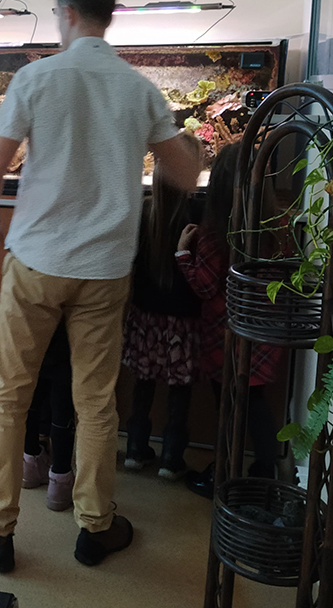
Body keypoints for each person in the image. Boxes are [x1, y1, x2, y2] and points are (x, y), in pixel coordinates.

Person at [0, 0, 201, 572]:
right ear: (110, 16)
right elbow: (186, 174)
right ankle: (96, 526)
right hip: (105, 270)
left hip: (36, 261)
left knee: (10, 396)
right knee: (95, 402)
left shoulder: (36, 78)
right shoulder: (139, 89)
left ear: (66, 13)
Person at [175, 142, 283, 498]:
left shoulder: (217, 232)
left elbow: (205, 286)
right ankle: (265, 473)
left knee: (228, 408)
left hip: (226, 337)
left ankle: (223, 475)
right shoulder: (274, 226)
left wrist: (182, 254)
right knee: (255, 404)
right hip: (262, 335)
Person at [121, 132, 204, 480]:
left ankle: (135, 449)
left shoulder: (143, 211)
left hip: (145, 316)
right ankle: (171, 457)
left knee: (143, 382)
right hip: (183, 319)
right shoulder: (197, 215)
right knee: (179, 388)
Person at [21, 323, 75, 512]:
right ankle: (60, 480)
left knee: (32, 392)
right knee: (63, 399)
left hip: (34, 322)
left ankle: (29, 464)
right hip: (71, 329)